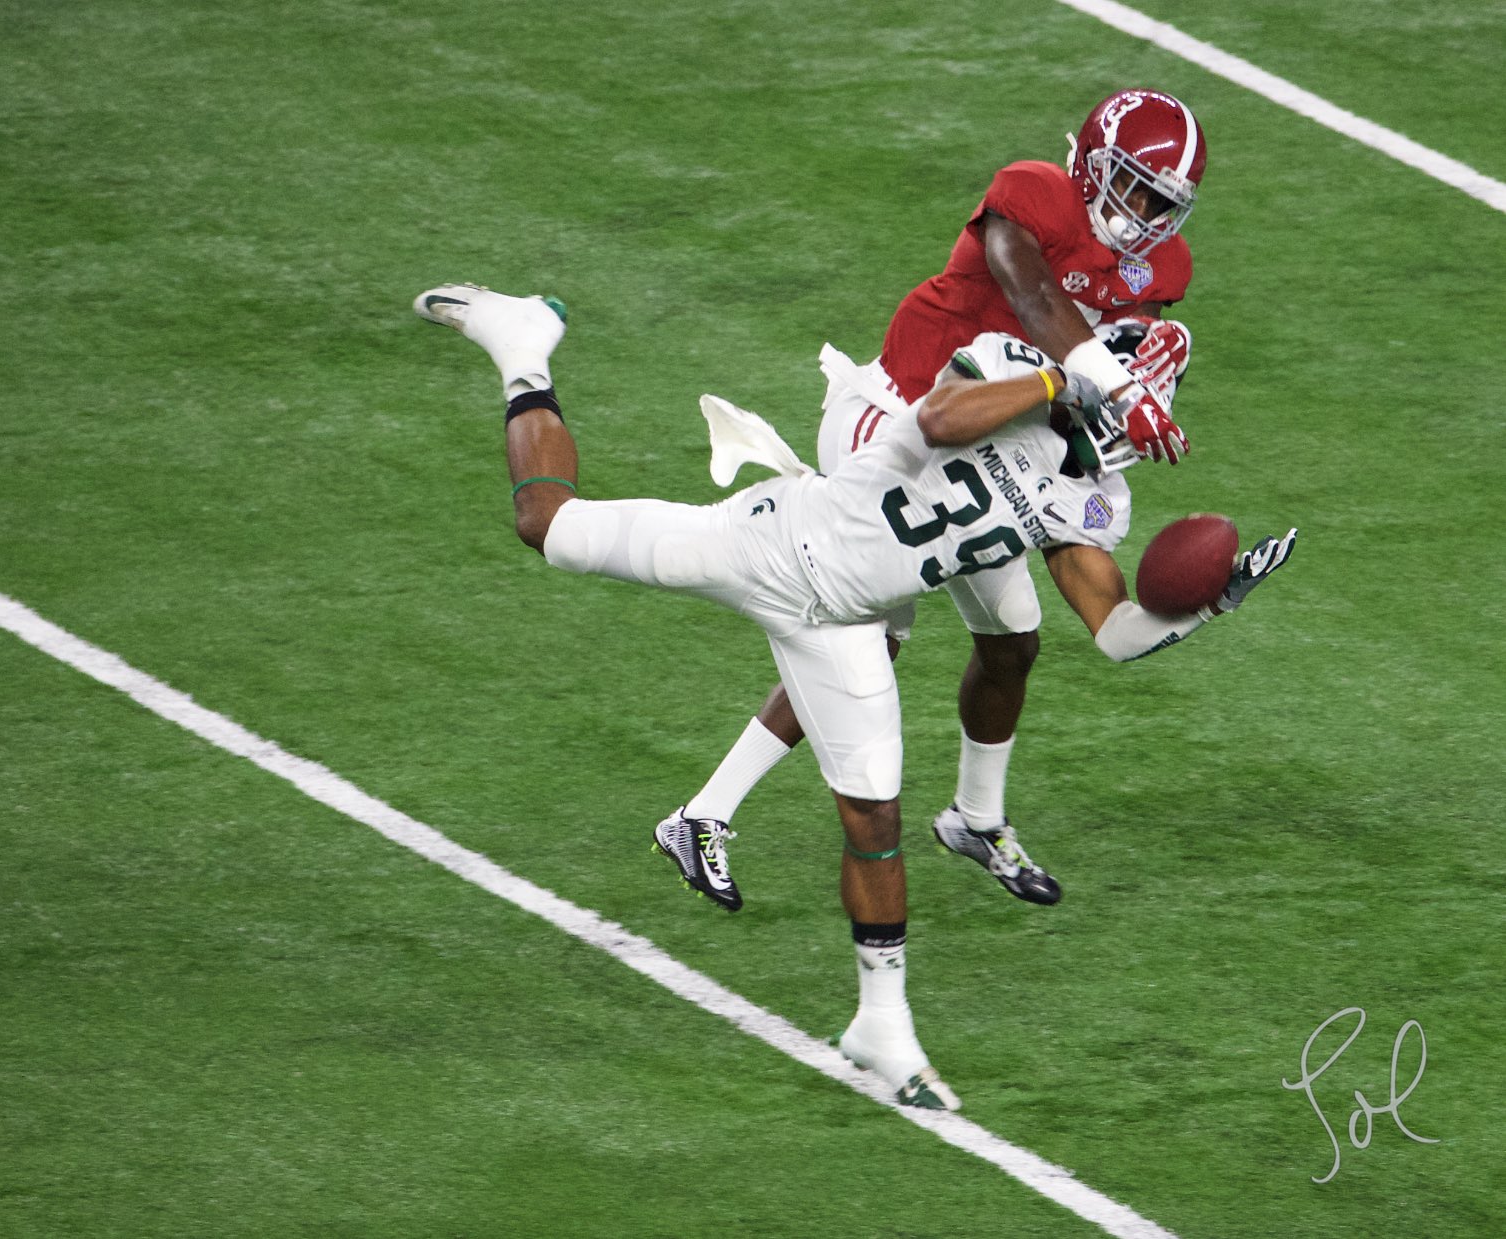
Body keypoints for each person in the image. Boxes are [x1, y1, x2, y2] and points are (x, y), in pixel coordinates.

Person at [411, 281, 1295, 1109]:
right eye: (1132, 400)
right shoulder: (1006, 363)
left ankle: (883, 1025)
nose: (1131, 427)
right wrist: (1062, 379)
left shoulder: (1095, 501)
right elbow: (940, 417)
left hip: (841, 625)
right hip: (770, 543)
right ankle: (522, 346)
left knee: (874, 819)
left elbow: (1114, 630)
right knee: (549, 529)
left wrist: (1208, 605)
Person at [658, 88, 1209, 911]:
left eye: (1162, 202)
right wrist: (1118, 384)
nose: (1144, 214)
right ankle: (702, 813)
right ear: (1094, 164)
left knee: (1012, 644)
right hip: (895, 416)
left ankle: (975, 819)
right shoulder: (1035, 193)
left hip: (985, 449)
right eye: (1132, 186)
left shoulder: (1159, 270)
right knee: (867, 635)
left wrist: (1129, 387)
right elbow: (1036, 300)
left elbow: (1090, 374)